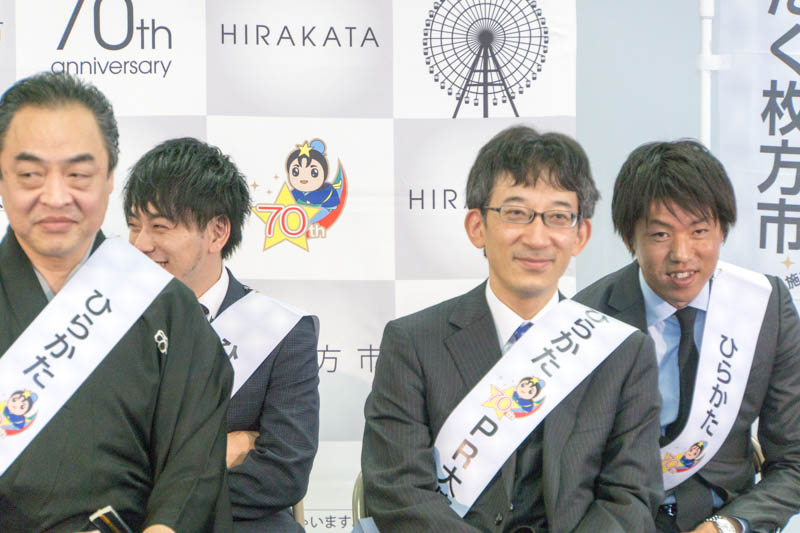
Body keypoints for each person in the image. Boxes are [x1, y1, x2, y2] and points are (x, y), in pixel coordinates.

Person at [361, 125, 663, 533]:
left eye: (558, 217)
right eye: (516, 213)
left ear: (580, 235)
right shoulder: (413, 343)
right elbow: (398, 492)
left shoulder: (621, 352)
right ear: (477, 226)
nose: (537, 238)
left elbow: (630, 497)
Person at [0, 73, 232, 532]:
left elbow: (194, 467)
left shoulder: (168, 308)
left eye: (78, 175)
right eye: (30, 175)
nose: (56, 196)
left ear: (109, 179)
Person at [574, 139, 800, 533]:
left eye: (699, 231)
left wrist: (729, 525)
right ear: (629, 239)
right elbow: (571, 471)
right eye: (661, 235)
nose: (682, 253)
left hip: (727, 515)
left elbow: (793, 461)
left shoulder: (764, 307)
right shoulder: (586, 319)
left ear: (722, 231)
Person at [124, 137, 320, 533]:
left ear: (217, 233)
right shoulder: (105, 322)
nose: (141, 244)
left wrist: (169, 508)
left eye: (160, 227)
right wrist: (219, 453)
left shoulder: (282, 331)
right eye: (133, 226)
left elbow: (283, 473)